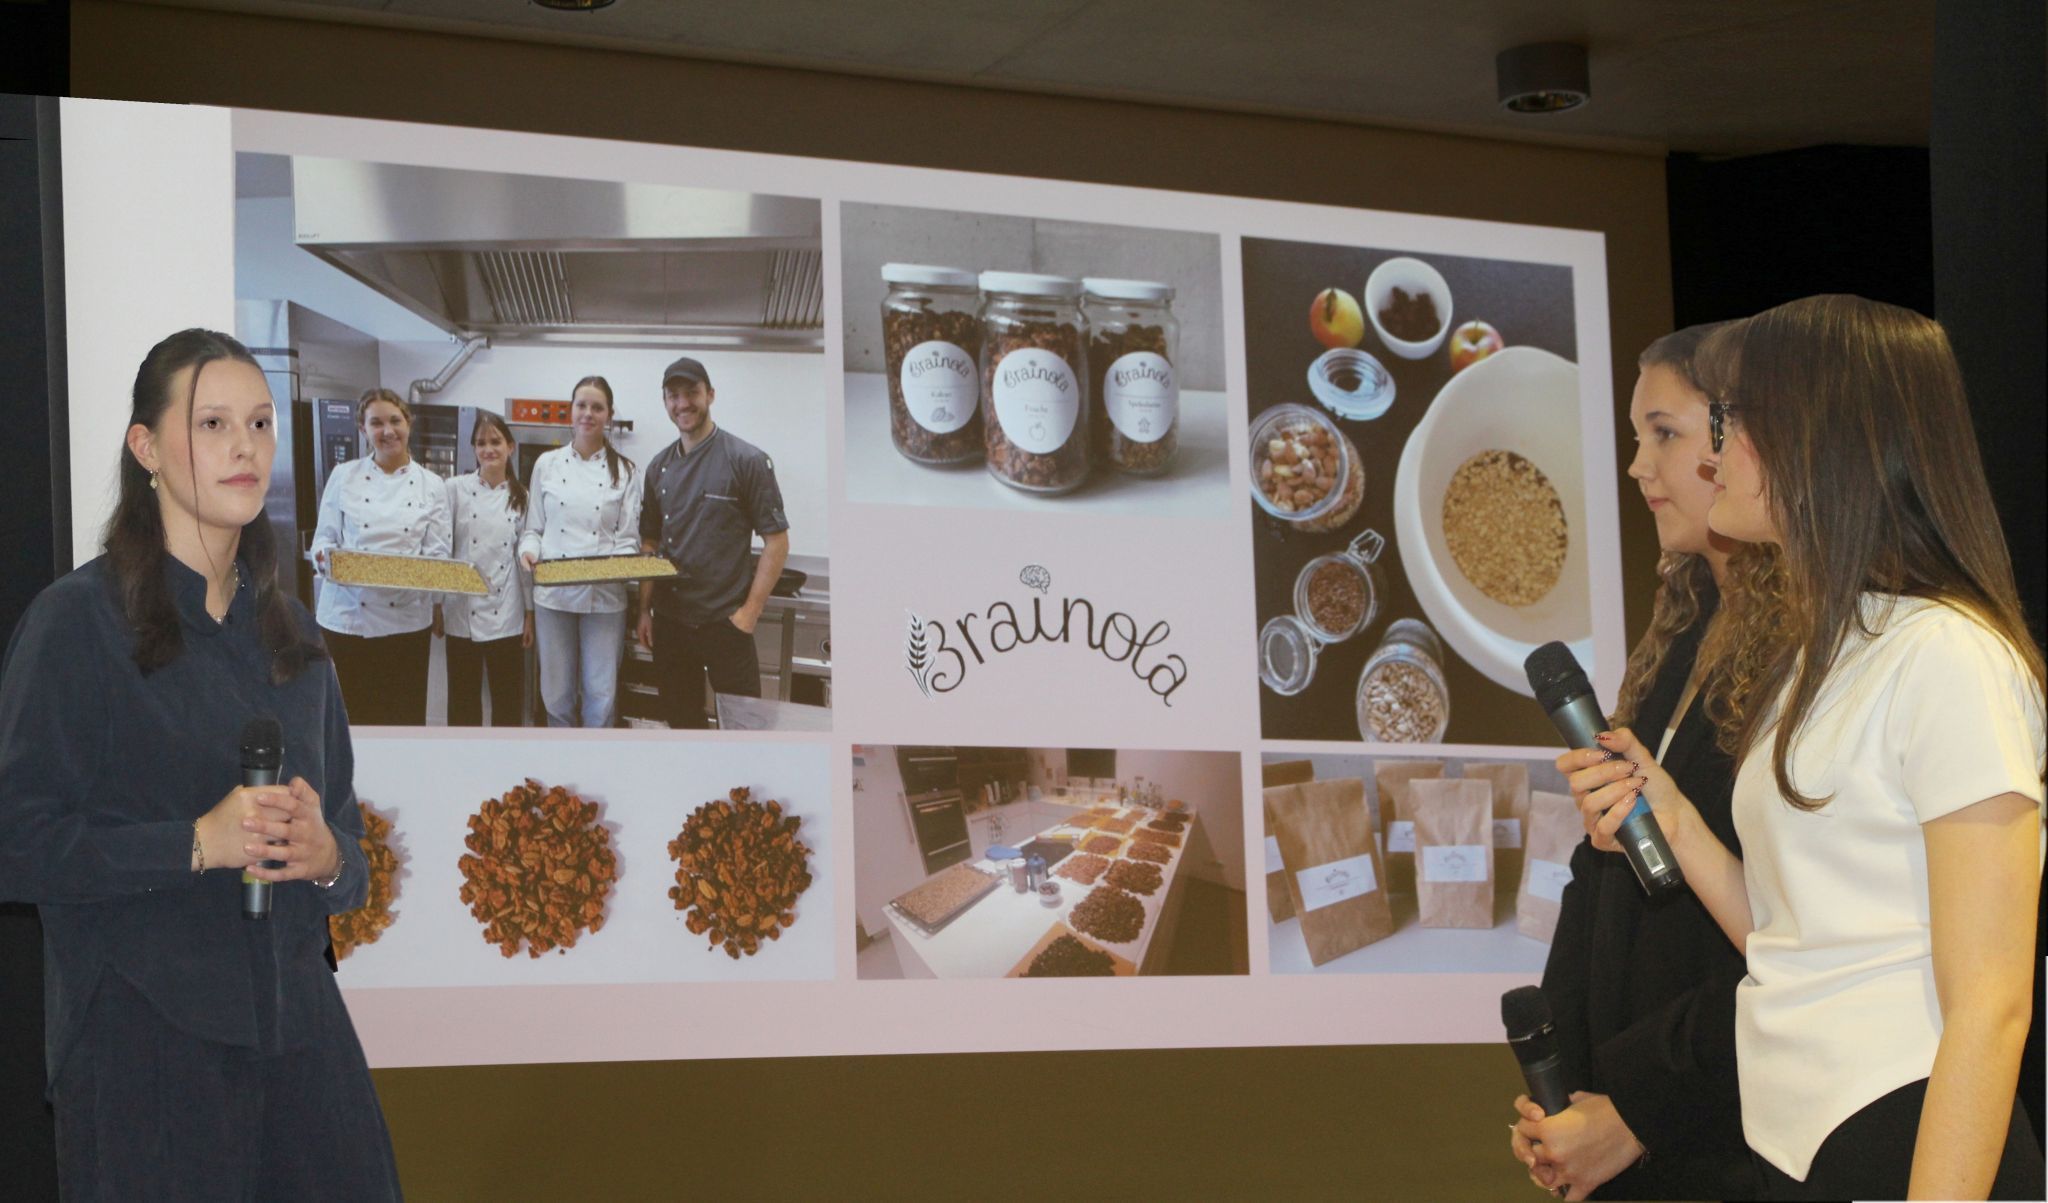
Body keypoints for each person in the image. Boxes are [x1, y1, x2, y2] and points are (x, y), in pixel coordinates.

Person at [1568, 296, 2045, 1200]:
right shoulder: (1828, 653)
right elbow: (1796, 937)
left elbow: (1992, 1004)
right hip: (1801, 1140)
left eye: (1730, 420)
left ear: (1821, 437)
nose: (1712, 454)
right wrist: (1667, 812)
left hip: (1908, 1130)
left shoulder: (1948, 653)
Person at [0, 329, 401, 1199]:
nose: (245, 447)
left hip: (298, 1030)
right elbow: (18, 840)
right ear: (147, 447)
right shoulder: (76, 624)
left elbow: (350, 854)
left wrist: (329, 858)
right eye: (213, 423)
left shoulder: (298, 641)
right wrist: (194, 842)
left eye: (259, 424)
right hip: (144, 1046)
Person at [1509, 325, 1777, 1200]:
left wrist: (1640, 1111)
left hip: (1731, 1137)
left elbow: (1792, 935)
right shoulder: (1679, 635)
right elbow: (1604, 879)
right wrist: (1568, 1085)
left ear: (1748, 439)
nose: (1637, 466)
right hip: (1632, 1126)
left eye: (1663, 432)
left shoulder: (1810, 662)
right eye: (1634, 437)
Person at [636, 356, 791, 729]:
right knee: (682, 724)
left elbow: (777, 541)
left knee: (744, 729)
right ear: (665, 402)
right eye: (674, 395)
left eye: (692, 392)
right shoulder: (658, 468)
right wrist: (645, 609)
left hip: (726, 624)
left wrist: (749, 613)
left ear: (710, 395)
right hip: (672, 623)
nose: (683, 403)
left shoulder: (746, 460)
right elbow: (650, 542)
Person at [310, 386, 452, 726]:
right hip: (348, 617)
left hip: (405, 618)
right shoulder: (344, 476)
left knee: (404, 715)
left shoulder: (432, 484)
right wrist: (325, 558)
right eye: (376, 423)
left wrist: (434, 598)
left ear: (409, 423)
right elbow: (324, 537)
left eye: (394, 421)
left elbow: (438, 553)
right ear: (363, 429)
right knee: (353, 718)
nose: (387, 431)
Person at [519, 376, 639, 728]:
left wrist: (617, 566)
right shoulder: (547, 464)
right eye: (581, 405)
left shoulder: (627, 471)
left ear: (609, 415)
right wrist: (528, 552)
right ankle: (562, 773)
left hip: (604, 597)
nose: (588, 413)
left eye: (597, 407)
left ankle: (595, 767)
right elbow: (533, 529)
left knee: (600, 693)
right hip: (553, 595)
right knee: (556, 693)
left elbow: (628, 539)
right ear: (570, 412)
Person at [437, 411, 532, 726]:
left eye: (495, 441)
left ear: (510, 447)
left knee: (508, 701)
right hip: (462, 612)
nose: (488, 449)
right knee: (462, 703)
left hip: (507, 612)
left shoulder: (522, 497)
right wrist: (436, 603)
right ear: (473, 449)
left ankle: (509, 766)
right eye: (481, 443)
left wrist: (529, 614)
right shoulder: (454, 489)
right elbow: (442, 550)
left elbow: (525, 564)